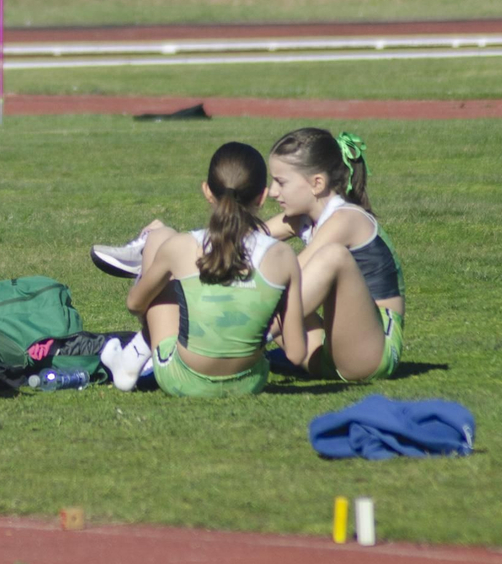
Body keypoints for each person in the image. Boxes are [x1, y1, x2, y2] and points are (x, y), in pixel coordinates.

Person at [97, 142, 305, 397]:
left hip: (181, 380)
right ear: (262, 196)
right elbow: (296, 353)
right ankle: (131, 359)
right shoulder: (283, 255)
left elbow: (135, 304)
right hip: (249, 382)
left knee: (160, 236)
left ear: (207, 191)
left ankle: (134, 355)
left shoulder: (181, 247)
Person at [261, 128, 405, 382]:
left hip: (373, 352)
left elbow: (293, 275)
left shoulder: (345, 219)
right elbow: (245, 239)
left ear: (317, 184)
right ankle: (227, 342)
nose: (272, 191)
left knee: (332, 257)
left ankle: (238, 345)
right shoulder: (303, 218)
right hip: (327, 351)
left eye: (281, 182)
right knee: (253, 259)